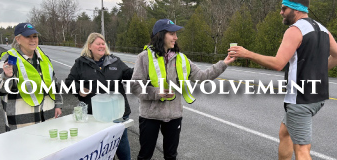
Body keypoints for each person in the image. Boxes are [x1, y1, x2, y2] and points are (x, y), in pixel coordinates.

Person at [228, 0, 337, 159]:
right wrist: (317, 71)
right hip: (318, 96)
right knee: (284, 133)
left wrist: (247, 54)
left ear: (296, 9)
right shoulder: (322, 29)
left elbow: (278, 63)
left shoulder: (295, 30)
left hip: (301, 100)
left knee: (302, 150)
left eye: (283, 8)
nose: (281, 12)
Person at [131, 19, 236, 160]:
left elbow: (201, 76)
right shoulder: (144, 57)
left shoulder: (181, 58)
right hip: (150, 116)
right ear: (160, 35)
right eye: (172, 34)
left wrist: (224, 63)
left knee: (171, 156)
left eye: (176, 34)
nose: (176, 37)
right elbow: (135, 86)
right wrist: (157, 93)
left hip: (174, 115)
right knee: (145, 156)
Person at [65, 32, 133, 160]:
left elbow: (129, 74)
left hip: (118, 112)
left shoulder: (115, 61)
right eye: (98, 44)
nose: (102, 46)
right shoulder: (81, 63)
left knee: (121, 143)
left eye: (103, 43)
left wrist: (141, 68)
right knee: (101, 145)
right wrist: (79, 89)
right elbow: (69, 82)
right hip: (95, 114)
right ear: (90, 46)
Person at [0, 23, 62, 131]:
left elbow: (54, 83)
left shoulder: (43, 58)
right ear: (18, 39)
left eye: (35, 36)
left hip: (48, 120)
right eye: (28, 36)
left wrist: (58, 104)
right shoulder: (10, 58)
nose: (32, 40)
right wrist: (6, 76)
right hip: (22, 124)